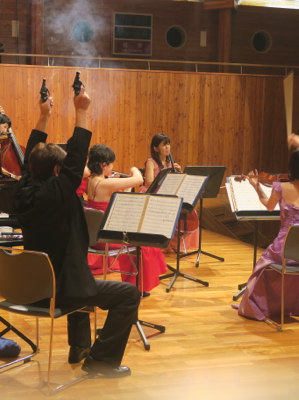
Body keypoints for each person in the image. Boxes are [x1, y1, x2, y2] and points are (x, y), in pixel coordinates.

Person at [13, 85, 140, 378]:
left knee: (81, 276)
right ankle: (102, 360)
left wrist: (44, 116)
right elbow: (75, 158)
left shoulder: (22, 190)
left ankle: (80, 347)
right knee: (128, 294)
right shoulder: (58, 192)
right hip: (62, 291)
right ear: (59, 172)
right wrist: (81, 111)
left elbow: (31, 158)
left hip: (32, 287)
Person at [236, 134, 299, 322]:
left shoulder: (281, 187)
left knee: (263, 264)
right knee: (290, 264)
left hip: (284, 249)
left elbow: (268, 206)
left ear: (292, 167)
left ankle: (265, 304)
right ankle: (297, 304)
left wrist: (256, 187)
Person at [86, 144, 167, 296]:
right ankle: (137, 287)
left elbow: (116, 200)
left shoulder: (92, 181)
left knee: (140, 240)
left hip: (97, 235)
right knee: (145, 244)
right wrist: (134, 169)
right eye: (111, 164)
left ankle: (134, 284)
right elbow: (138, 179)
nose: (112, 167)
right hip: (105, 238)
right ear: (103, 165)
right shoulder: (104, 183)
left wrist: (124, 186)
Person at [139, 133, 198, 253]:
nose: (168, 147)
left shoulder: (170, 162)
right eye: (164, 145)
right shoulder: (151, 162)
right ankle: (163, 243)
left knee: (188, 209)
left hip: (167, 195)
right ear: (156, 148)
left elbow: (177, 182)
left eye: (168, 144)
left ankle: (176, 243)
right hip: (154, 194)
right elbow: (149, 182)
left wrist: (179, 172)